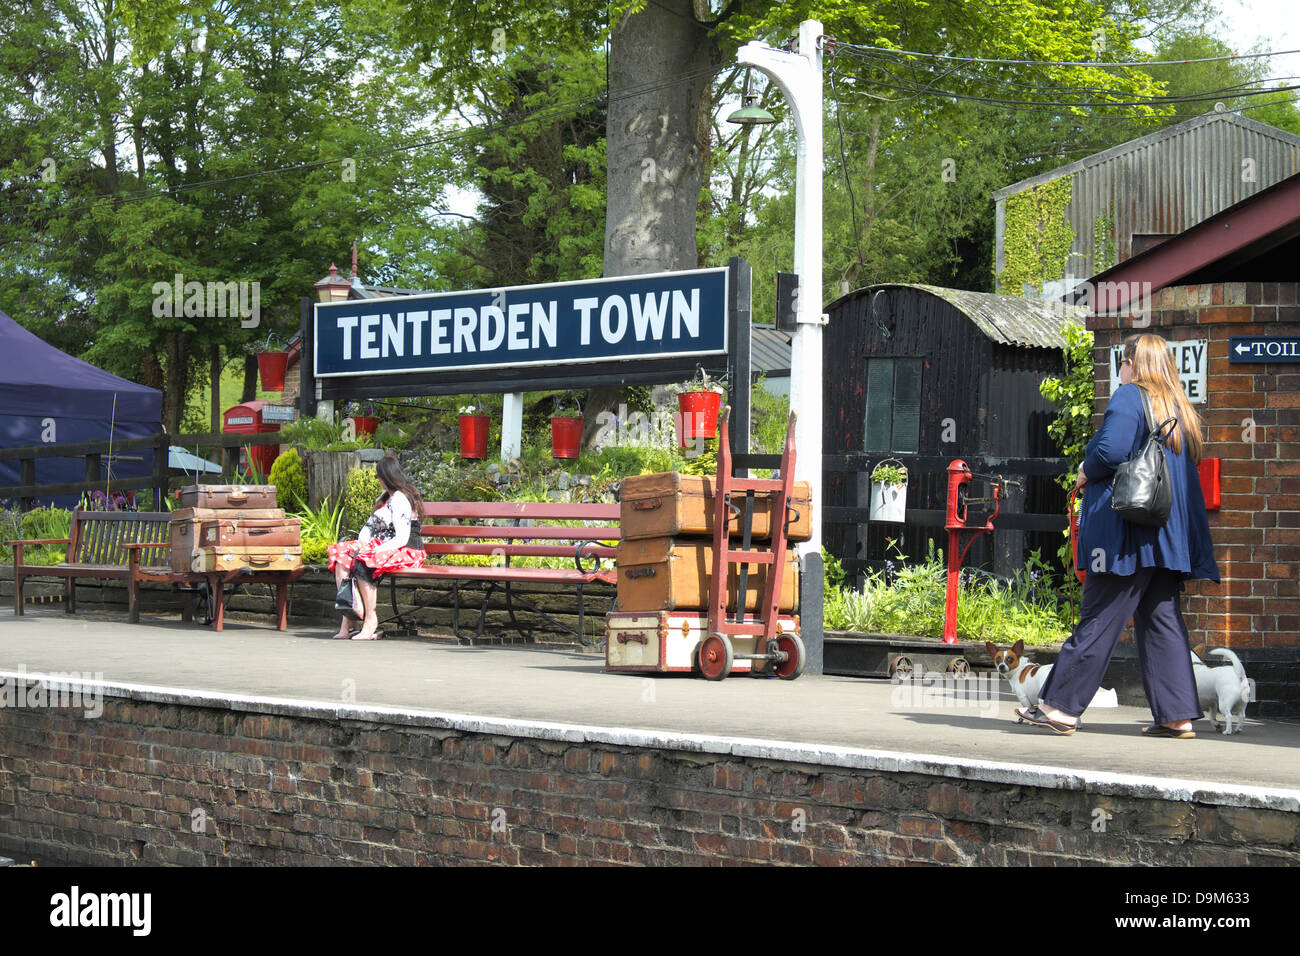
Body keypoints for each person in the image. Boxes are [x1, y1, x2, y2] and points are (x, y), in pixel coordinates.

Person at [1017, 333, 1220, 737]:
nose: (1119, 371)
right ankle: (1177, 715)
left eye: (1121, 364)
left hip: (1127, 536)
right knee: (1162, 621)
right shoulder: (1178, 409)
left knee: (1100, 614)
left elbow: (1109, 452)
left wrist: (1084, 470)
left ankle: (1060, 707)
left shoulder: (1130, 396)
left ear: (1131, 363)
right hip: (1166, 537)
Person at [327, 456, 428, 641]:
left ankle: (370, 620)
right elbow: (371, 527)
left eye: (379, 476)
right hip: (385, 546)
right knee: (341, 555)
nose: (378, 480)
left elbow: (402, 537)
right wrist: (360, 543)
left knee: (365, 560)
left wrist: (373, 550)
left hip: (407, 549)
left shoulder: (401, 499)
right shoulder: (385, 497)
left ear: (387, 477)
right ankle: (350, 614)